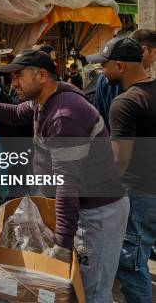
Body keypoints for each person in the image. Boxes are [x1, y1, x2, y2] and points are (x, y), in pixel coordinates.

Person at [0, 49, 128, 302]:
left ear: (42, 76)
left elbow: (66, 185)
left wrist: (62, 242)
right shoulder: (44, 101)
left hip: (98, 212)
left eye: (18, 76)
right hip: (81, 206)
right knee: (79, 284)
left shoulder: (64, 115)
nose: (12, 83)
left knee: (93, 290)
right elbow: (15, 114)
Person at [87, 37, 156, 303]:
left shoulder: (125, 103)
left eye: (105, 66)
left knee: (132, 264)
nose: (102, 72)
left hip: (139, 195)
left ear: (120, 66)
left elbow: (119, 161)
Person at [93, 29, 156, 130]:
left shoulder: (105, 78)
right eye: (155, 53)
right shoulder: (120, 84)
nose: (154, 59)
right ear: (144, 51)